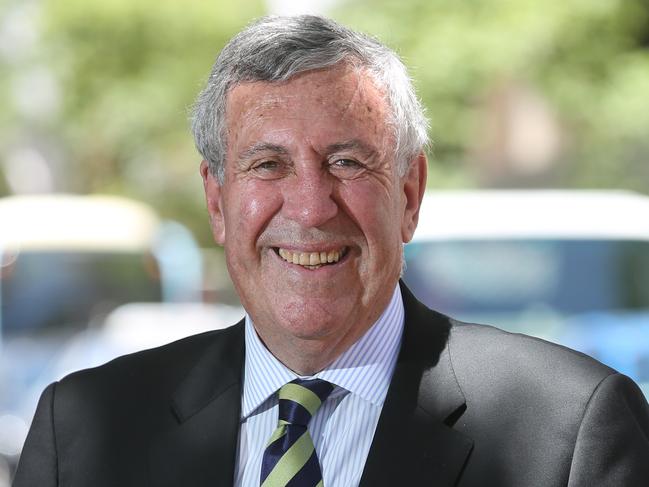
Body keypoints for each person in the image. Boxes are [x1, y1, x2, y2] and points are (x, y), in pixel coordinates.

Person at [14, 15, 649, 487]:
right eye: (268, 164)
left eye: (346, 162)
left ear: (408, 192)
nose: (312, 208)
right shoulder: (82, 432)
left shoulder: (573, 431)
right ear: (216, 202)